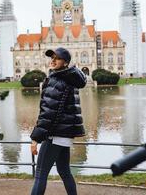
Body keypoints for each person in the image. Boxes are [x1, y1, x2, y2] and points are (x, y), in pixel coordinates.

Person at [30, 47, 87, 195]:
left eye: (57, 58)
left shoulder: (58, 80)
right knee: (64, 171)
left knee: (40, 173)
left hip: (54, 134)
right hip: (64, 135)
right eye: (52, 57)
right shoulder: (70, 79)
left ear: (66, 62)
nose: (53, 60)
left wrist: (35, 138)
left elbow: (48, 112)